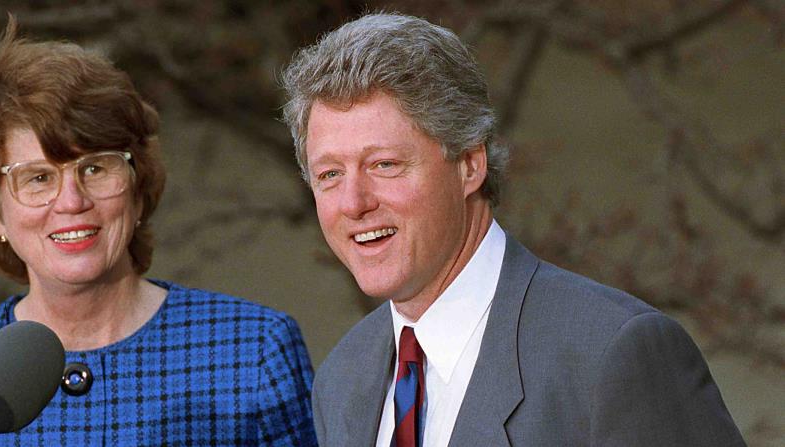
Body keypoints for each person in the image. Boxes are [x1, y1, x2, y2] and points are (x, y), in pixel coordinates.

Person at [282, 13, 745, 447]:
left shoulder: (614, 354)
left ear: (469, 164)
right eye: (330, 175)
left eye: (384, 164)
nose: (353, 203)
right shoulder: (341, 379)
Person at [0, 17, 316, 446]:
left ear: (137, 187)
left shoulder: (252, 351)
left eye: (94, 168)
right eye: (38, 178)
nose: (72, 202)